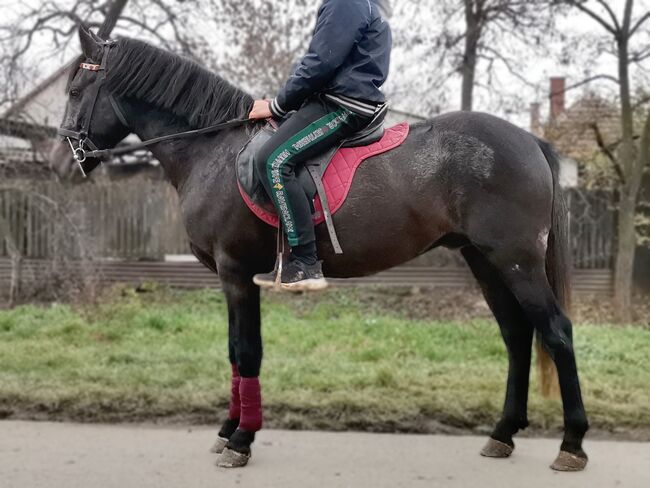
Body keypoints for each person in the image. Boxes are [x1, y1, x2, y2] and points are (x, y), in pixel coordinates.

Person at [250, 0, 392, 292]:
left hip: (344, 104)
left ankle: (305, 263)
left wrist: (277, 104)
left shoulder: (346, 2)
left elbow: (321, 62)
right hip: (337, 97)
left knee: (272, 160)